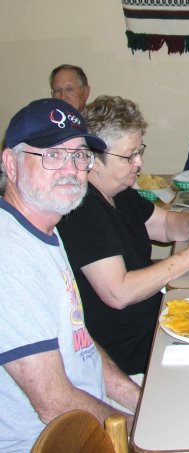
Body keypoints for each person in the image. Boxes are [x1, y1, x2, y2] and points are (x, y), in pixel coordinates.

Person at [57, 95, 189, 376]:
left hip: (154, 324)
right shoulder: (82, 210)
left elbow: (165, 225)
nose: (139, 162)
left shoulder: (119, 191)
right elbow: (119, 292)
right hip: (129, 356)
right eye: (129, 155)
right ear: (92, 158)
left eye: (139, 150)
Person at [0, 98, 140, 451]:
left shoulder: (47, 224)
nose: (71, 168)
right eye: (52, 155)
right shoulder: (9, 254)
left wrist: (141, 401)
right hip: (50, 441)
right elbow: (53, 401)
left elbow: (82, 348)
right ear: (10, 164)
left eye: (79, 155)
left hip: (87, 417)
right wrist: (134, 431)